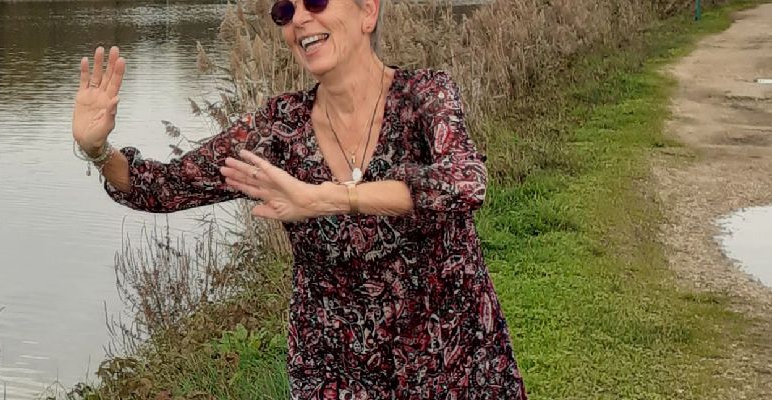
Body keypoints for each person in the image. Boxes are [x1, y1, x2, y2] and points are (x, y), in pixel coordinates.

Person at [68, 0, 526, 397]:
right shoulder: (279, 128)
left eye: (316, 2)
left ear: (368, 10)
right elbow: (164, 187)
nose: (300, 19)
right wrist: (98, 150)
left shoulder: (425, 96)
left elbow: (465, 182)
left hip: (454, 358)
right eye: (285, 11)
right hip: (335, 369)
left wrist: (328, 198)